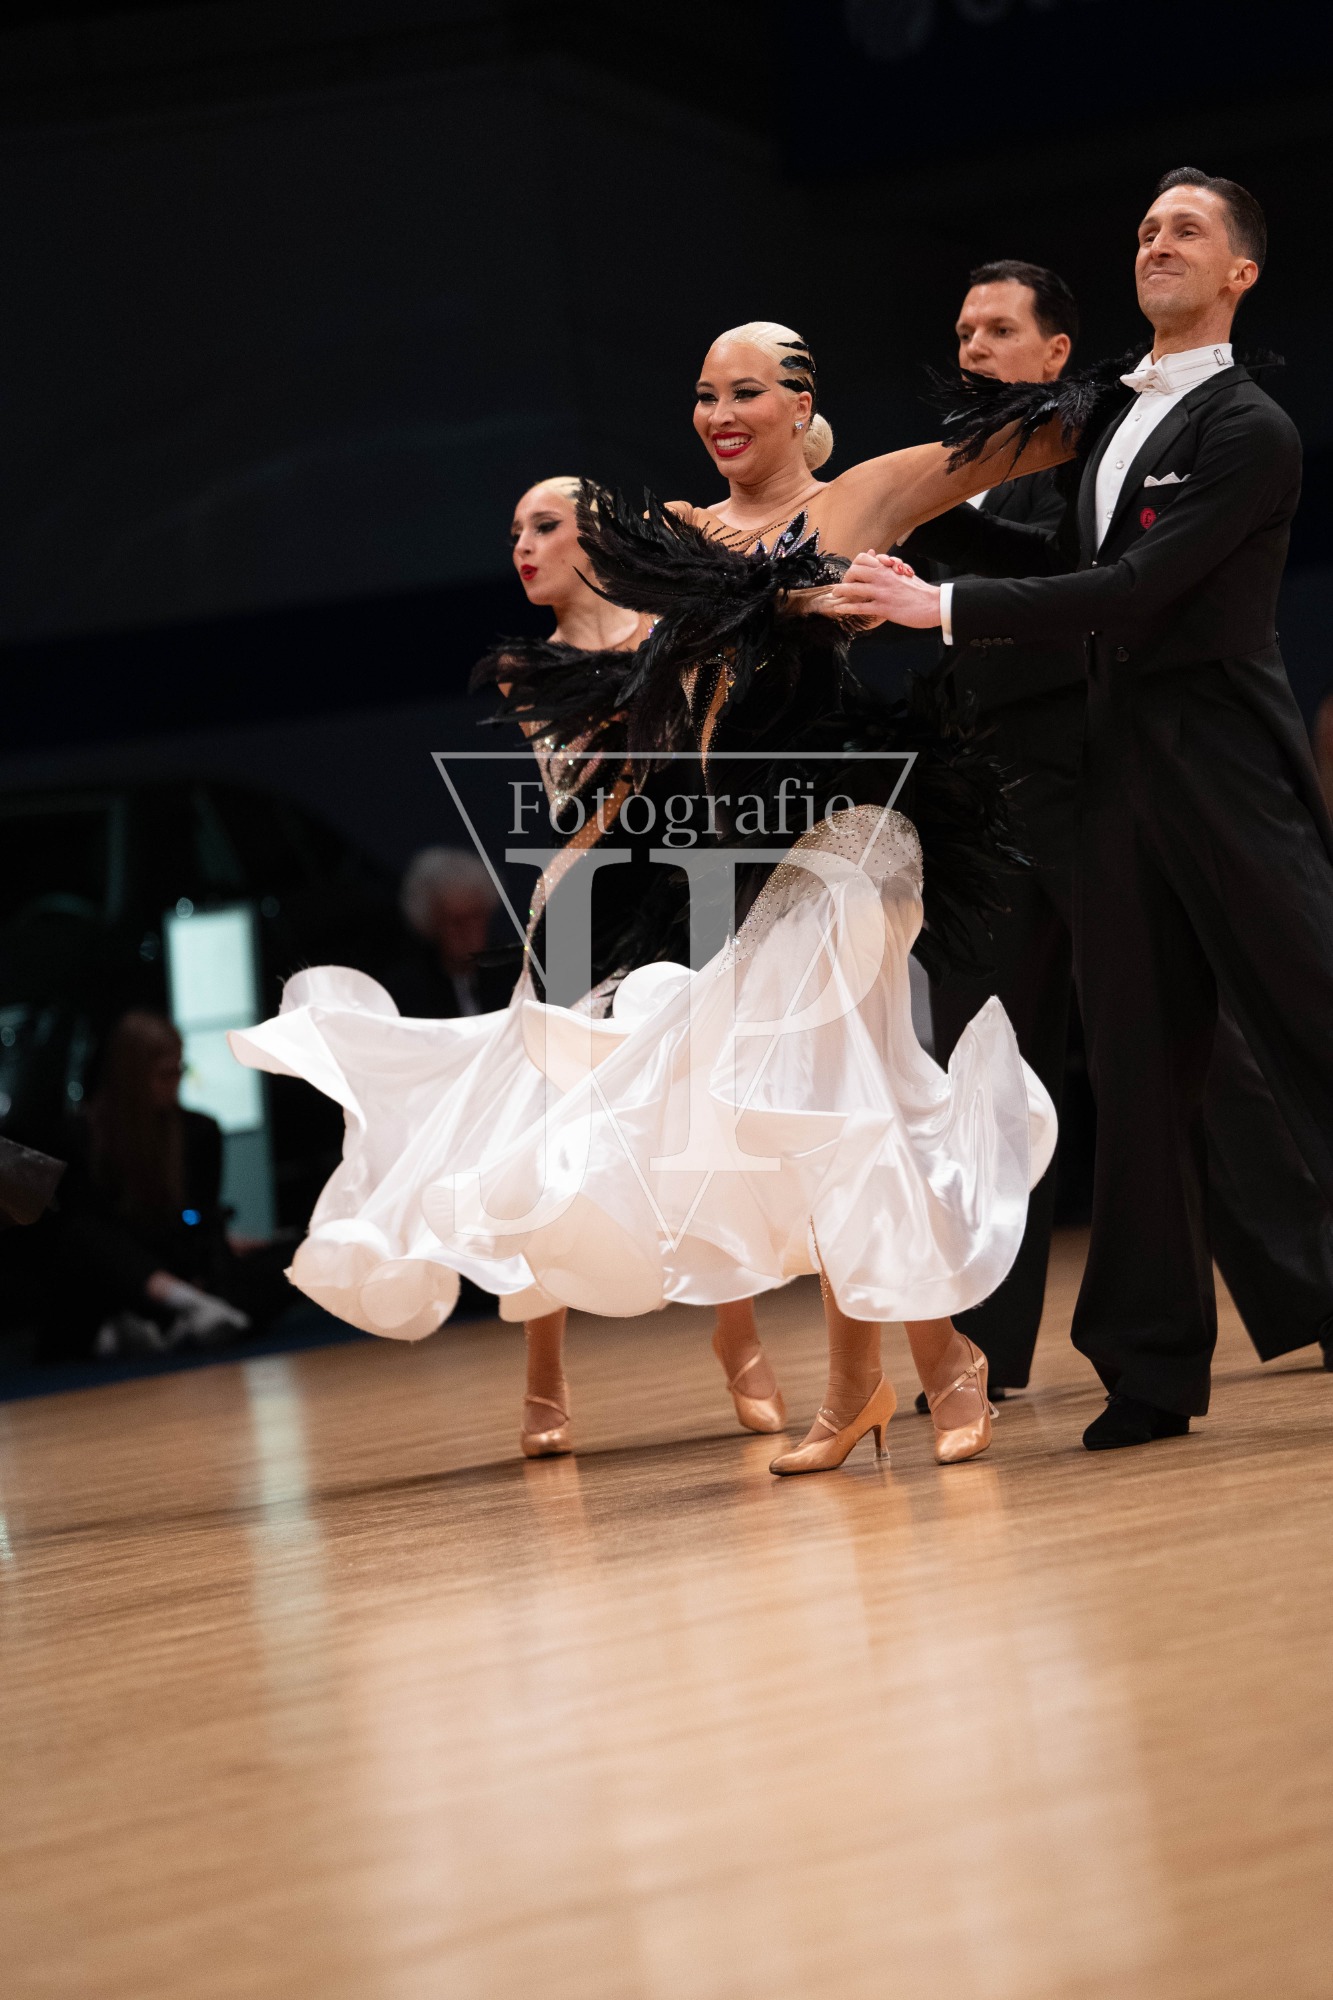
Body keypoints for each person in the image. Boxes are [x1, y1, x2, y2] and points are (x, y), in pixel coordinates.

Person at [421, 322, 1070, 1476]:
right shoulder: (677, 532)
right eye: (704, 394)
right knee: (831, 1104)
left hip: (848, 833)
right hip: (738, 856)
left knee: (830, 1094)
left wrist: (1130, 388)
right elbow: (649, 678)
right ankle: (915, 1367)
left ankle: (891, 1376)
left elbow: (1033, 443)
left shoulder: (859, 496)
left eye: (747, 391)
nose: (720, 413)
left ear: (799, 404)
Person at [832, 170, 1333, 1445]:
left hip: (1225, 768)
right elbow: (1050, 553)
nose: (1158, 241)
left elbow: (1138, 585)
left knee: (1308, 1026)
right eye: (1147, 227)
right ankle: (1149, 1366)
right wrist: (881, 535)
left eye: (1188, 229)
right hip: (1113, 772)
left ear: (1240, 272)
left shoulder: (1250, 427)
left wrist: (937, 606)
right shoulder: (1105, 411)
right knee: (1138, 1068)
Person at [231, 476, 788, 1455]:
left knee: (699, 1120)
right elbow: (602, 782)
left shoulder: (683, 636)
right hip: (582, 906)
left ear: (598, 540)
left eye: (545, 526)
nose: (522, 546)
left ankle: (736, 1335)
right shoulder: (525, 666)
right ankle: (543, 1375)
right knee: (546, 1133)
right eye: (514, 532)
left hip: (685, 894)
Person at [7, 1011, 262, 1360]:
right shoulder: (84, 1136)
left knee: (282, 1261)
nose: (175, 1083)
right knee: (85, 1236)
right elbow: (89, 1231)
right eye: (164, 1074)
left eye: (179, 1071)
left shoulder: (199, 1131)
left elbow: (200, 1214)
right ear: (132, 1078)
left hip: (173, 1258)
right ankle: (181, 1307)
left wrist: (211, 1249)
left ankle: (171, 1317)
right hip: (113, 1276)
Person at [386, 848, 508, 1019]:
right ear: (431, 923)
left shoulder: (518, 978)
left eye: (476, 917)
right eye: (456, 922)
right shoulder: (406, 992)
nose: (467, 931)